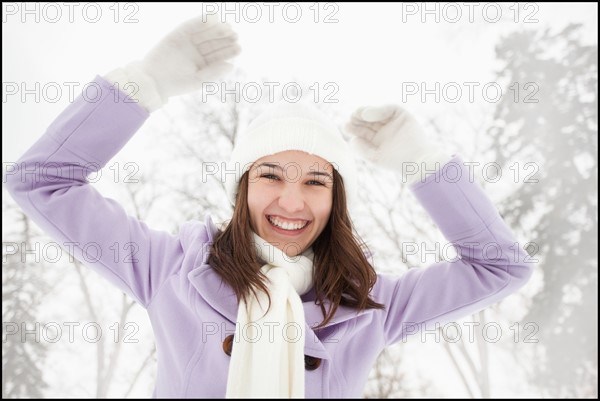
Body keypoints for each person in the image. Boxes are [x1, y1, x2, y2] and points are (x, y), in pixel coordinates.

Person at [5, 15, 534, 398]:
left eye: (315, 181)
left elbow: (501, 268)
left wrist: (423, 163)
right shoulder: (168, 270)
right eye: (270, 175)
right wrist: (148, 83)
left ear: (336, 199)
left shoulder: (374, 308)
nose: (291, 200)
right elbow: (41, 180)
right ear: (241, 190)